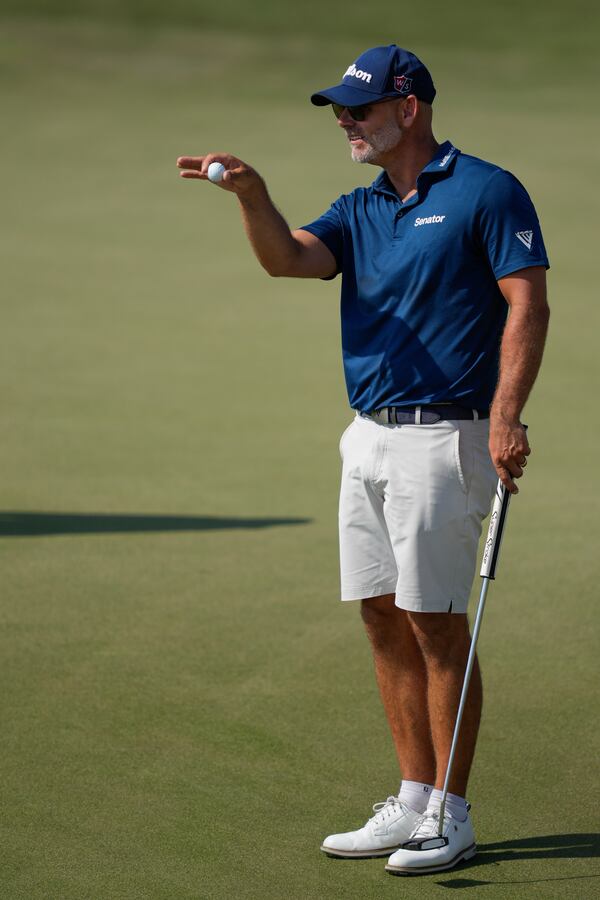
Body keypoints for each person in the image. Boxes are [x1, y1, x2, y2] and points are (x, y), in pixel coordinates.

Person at [177, 44, 549, 877]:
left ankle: (451, 813)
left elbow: (528, 299)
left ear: (408, 109)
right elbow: (289, 258)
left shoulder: (487, 191)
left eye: (361, 108)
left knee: (437, 621)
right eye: (341, 109)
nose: (346, 120)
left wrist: (507, 414)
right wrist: (253, 195)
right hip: (369, 435)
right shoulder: (362, 206)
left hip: (447, 436)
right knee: (380, 613)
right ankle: (412, 797)